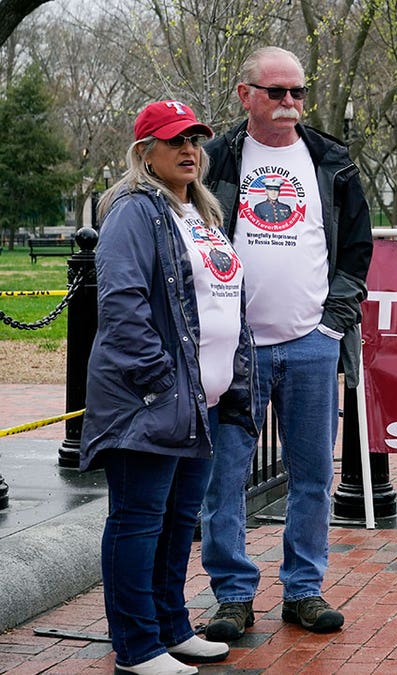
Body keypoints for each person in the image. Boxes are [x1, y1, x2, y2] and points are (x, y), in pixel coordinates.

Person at [200, 46, 373, 640]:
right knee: (224, 477)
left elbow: (356, 251)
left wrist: (332, 322)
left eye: (298, 92)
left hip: (311, 345)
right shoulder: (216, 159)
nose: (290, 104)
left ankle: (303, 589)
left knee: (312, 475)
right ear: (246, 94)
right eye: (277, 93)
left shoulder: (332, 161)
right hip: (236, 349)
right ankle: (232, 595)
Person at [81, 100, 255, 675]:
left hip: (199, 406)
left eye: (195, 140)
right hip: (150, 404)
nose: (189, 150)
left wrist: (227, 382)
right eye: (174, 140)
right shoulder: (134, 211)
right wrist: (160, 382)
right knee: (138, 522)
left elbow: (222, 301)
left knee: (180, 521)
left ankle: (171, 628)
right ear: (144, 152)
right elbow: (123, 305)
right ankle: (135, 647)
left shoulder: (200, 213)